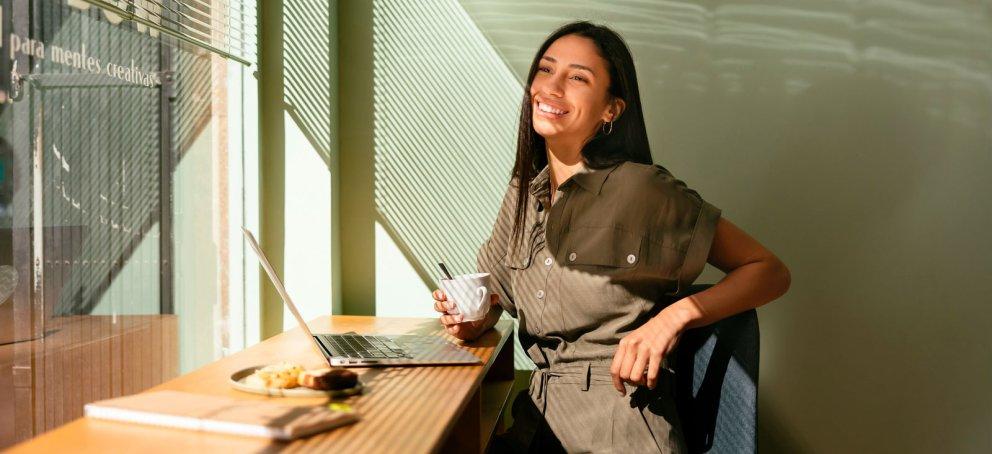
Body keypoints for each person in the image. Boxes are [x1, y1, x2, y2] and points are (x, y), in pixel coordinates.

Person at [431, 21, 790, 453]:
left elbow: (769, 272)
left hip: (619, 430)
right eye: (545, 70)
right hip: (536, 426)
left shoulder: (644, 191)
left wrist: (670, 320)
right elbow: (497, 299)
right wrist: (471, 318)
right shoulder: (524, 193)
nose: (552, 86)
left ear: (611, 110)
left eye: (578, 77)